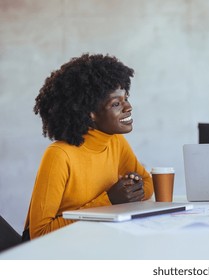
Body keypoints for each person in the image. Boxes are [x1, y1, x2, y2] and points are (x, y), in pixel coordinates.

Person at [23, 54, 154, 240]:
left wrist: (134, 189)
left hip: (96, 243)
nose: (129, 107)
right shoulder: (59, 155)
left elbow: (148, 185)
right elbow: (40, 233)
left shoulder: (115, 142)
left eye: (126, 98)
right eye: (116, 103)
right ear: (90, 113)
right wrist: (109, 200)